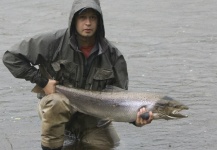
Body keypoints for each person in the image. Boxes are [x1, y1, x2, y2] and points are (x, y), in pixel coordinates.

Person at [2, 0, 153, 150]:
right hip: (57, 109)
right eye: (82, 17)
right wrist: (42, 82)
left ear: (99, 22)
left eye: (93, 18)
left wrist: (135, 119)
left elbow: (120, 101)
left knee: (110, 146)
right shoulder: (52, 42)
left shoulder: (113, 56)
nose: (88, 23)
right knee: (56, 103)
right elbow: (11, 57)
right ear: (73, 20)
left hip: (91, 119)